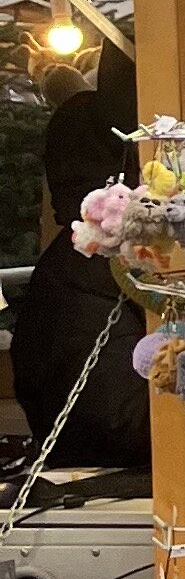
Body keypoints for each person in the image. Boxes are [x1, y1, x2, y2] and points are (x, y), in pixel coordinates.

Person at [9, 94, 149, 470]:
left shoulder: (81, 261)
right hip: (116, 483)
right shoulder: (92, 267)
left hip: (102, 472)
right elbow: (124, 420)